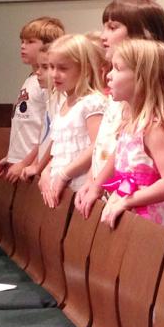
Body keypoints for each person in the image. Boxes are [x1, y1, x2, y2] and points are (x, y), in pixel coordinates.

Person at [74, 0, 164, 218]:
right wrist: (94, 182)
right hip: (118, 198)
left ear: (142, 33)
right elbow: (111, 150)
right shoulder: (120, 98)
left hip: (144, 213)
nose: (103, 35)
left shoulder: (146, 115)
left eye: (112, 27)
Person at [91, 39, 164, 232]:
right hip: (132, 211)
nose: (109, 76)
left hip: (152, 223)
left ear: (143, 78)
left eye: (117, 69)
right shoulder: (129, 123)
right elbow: (118, 158)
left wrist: (127, 201)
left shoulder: (151, 128)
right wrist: (97, 186)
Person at [40, 34, 107, 208]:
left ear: (84, 69)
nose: (54, 74)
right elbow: (59, 147)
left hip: (81, 190)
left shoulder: (92, 102)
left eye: (63, 68)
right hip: (63, 189)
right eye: (51, 67)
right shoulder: (63, 102)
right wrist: (46, 171)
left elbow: (97, 146)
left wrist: (64, 174)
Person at [0, 17, 65, 181]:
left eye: (30, 41)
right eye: (22, 41)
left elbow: (47, 131)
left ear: (49, 45)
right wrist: (12, 156)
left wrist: (26, 162)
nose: (23, 46)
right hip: (21, 159)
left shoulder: (48, 83)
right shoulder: (32, 79)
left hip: (32, 163)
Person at [19, 43, 63, 180]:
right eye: (38, 67)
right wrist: (35, 164)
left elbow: (55, 138)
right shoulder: (53, 97)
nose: (38, 72)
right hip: (45, 169)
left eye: (45, 67)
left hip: (55, 171)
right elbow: (44, 137)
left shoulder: (63, 100)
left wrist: (39, 166)